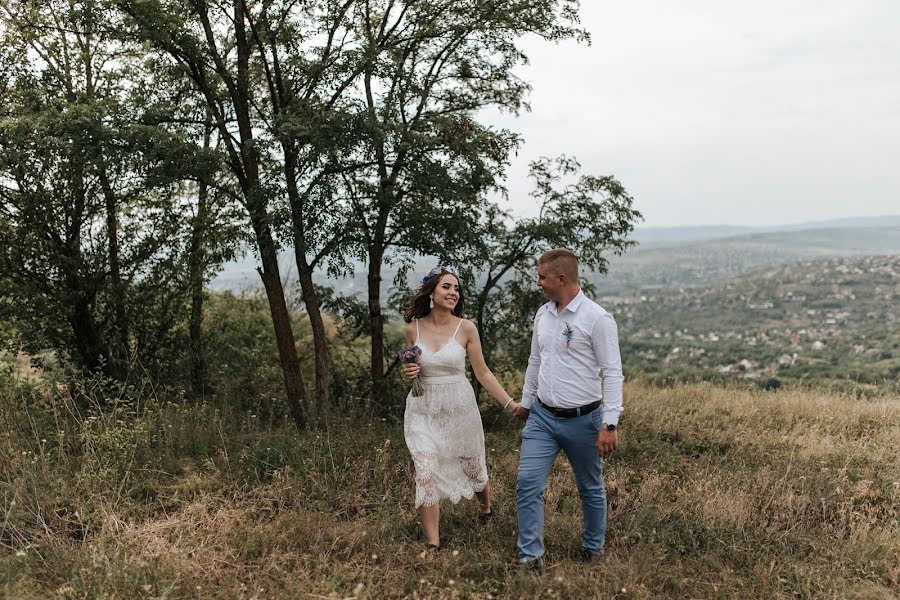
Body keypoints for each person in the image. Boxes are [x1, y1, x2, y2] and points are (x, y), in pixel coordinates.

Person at [512, 248, 624, 569]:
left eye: (542, 277)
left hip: (585, 420)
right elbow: (536, 360)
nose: (538, 283)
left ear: (561, 279)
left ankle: (593, 548)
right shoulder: (542, 315)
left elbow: (613, 373)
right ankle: (530, 556)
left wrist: (610, 424)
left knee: (590, 487)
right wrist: (527, 401)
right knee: (528, 483)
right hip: (543, 418)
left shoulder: (597, 319)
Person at [402, 265, 520, 550]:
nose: (453, 292)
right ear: (431, 291)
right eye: (446, 286)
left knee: (472, 465)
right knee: (426, 469)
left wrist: (509, 404)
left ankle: (485, 508)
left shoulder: (466, 328)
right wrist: (408, 373)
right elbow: (410, 366)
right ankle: (433, 543)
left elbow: (483, 372)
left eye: (456, 288)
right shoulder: (412, 328)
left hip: (459, 407)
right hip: (423, 409)